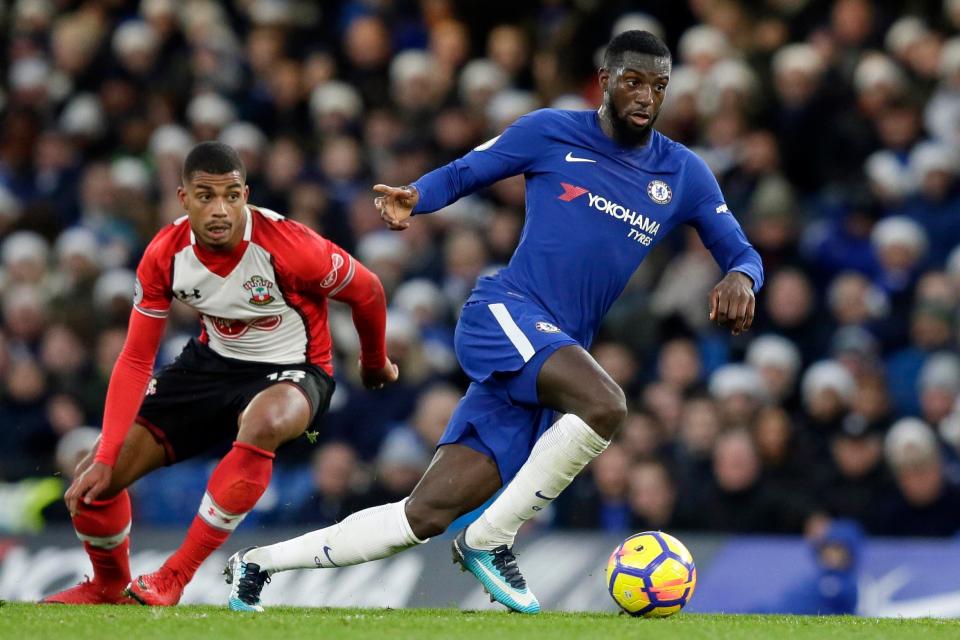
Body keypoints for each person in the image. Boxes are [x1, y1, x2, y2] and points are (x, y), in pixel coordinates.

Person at [225, 30, 763, 615]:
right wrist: (417, 197)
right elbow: (466, 171)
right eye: (633, 81)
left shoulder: (682, 172)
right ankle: (492, 539)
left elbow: (742, 251)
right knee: (606, 406)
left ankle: (256, 564)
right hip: (505, 313)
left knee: (423, 514)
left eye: (658, 86)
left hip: (551, 357)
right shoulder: (550, 131)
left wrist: (742, 277)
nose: (645, 96)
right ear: (605, 81)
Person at [41, 142, 398, 605]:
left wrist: (373, 362)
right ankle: (108, 585)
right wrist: (108, 452)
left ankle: (176, 574)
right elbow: (134, 358)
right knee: (94, 483)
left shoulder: (289, 246)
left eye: (231, 195)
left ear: (246, 194)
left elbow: (367, 290)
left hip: (294, 368)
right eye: (205, 195)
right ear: (182, 197)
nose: (220, 209)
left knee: (265, 422)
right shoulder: (164, 254)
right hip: (211, 365)